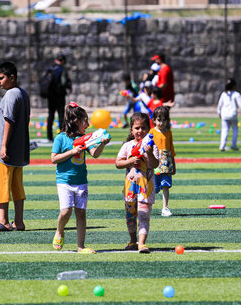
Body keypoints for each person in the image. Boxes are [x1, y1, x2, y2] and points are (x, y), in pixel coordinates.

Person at [51, 102, 110, 254]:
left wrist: (102, 144)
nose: (88, 124)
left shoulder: (85, 138)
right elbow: (54, 159)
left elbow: (95, 154)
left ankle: (81, 247)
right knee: (65, 212)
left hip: (81, 181)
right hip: (64, 181)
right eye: (85, 121)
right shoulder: (61, 138)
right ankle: (59, 230)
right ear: (76, 121)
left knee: (81, 213)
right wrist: (72, 151)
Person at [0, 61, 30, 232]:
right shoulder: (23, 93)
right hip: (19, 149)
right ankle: (19, 221)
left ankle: (3, 220)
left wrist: (3, 146)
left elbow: (9, 120)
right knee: (17, 186)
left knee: (1, 183)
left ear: (12, 78)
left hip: (8, 150)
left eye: (1, 78)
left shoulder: (11, 95)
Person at [116, 112, 159, 253]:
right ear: (131, 130)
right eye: (137, 128)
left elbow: (155, 164)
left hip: (146, 187)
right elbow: (118, 163)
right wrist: (130, 161)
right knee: (130, 215)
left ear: (148, 129)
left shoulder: (151, 145)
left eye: (144, 128)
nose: (140, 131)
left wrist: (150, 153)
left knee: (143, 214)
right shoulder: (127, 146)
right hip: (130, 188)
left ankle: (142, 243)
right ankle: (132, 240)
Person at [152, 106, 176, 217]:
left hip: (167, 163)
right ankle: (146, 205)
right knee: (154, 187)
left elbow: (171, 148)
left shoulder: (169, 133)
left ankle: (165, 208)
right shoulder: (151, 132)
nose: (161, 123)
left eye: (163, 120)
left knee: (165, 185)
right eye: (159, 120)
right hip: (155, 163)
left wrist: (174, 164)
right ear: (154, 120)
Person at [45, 52, 71, 141]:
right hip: (59, 95)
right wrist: (68, 86)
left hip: (50, 96)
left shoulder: (50, 69)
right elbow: (64, 82)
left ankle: (49, 136)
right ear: (63, 61)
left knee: (50, 115)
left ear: (56, 60)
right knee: (61, 116)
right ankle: (61, 135)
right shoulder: (62, 69)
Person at [216, 78, 241, 151]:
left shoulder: (223, 94)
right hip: (233, 115)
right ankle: (234, 145)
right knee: (235, 129)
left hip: (224, 115)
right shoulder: (236, 94)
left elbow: (219, 105)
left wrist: (219, 112)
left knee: (224, 130)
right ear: (234, 86)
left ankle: (222, 146)